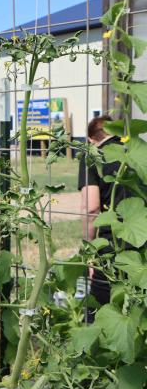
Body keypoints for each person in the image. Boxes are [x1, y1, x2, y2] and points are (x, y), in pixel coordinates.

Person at [78, 115, 128, 317]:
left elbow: (91, 208)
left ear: (91, 139)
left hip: (109, 248)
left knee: (100, 315)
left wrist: (89, 251)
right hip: (141, 247)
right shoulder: (133, 154)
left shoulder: (93, 155)